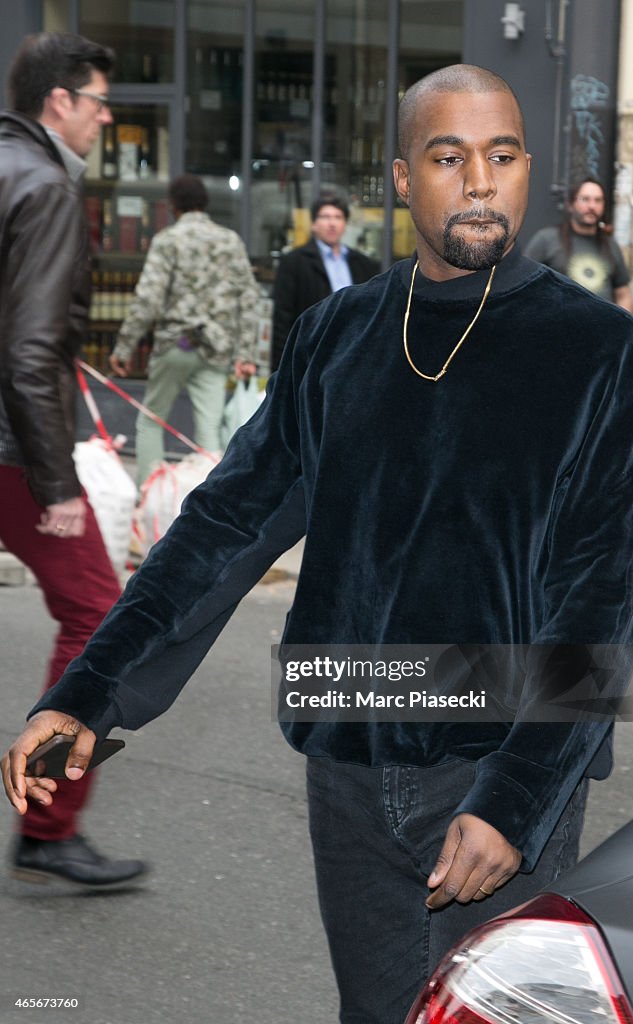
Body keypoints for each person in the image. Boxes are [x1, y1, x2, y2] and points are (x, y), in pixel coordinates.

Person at [2, 65, 633, 1023]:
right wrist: (90, 691)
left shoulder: (599, 351)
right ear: (401, 179)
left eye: (503, 155)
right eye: (449, 156)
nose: (480, 180)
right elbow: (222, 527)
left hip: (495, 768)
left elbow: (604, 598)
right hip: (346, 755)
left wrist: (515, 801)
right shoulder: (333, 336)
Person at [0, 32, 146, 887]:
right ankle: (49, 827)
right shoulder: (48, 187)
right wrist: (57, 485)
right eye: (97, 100)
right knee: (100, 617)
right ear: (60, 101)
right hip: (16, 450)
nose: (104, 116)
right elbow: (26, 354)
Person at [109, 173, 260, 487]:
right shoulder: (230, 240)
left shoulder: (168, 240)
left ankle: (150, 494)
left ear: (173, 205)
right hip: (215, 347)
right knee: (209, 431)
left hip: (174, 343)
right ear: (204, 203)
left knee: (152, 420)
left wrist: (124, 347)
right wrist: (246, 353)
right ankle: (207, 504)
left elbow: (148, 297)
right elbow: (248, 297)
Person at [270, 195, 379, 371]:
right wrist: (281, 369)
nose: (332, 223)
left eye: (338, 217)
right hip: (312, 353)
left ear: (345, 224)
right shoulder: (295, 262)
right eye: (325, 217)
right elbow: (282, 318)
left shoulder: (362, 264)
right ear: (314, 224)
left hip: (355, 353)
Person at [524, 177, 633, 310]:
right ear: (571, 204)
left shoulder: (611, 246)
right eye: (585, 199)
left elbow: (623, 294)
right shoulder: (546, 239)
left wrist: (621, 324)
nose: (592, 206)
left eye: (598, 200)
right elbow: (523, 283)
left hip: (602, 327)